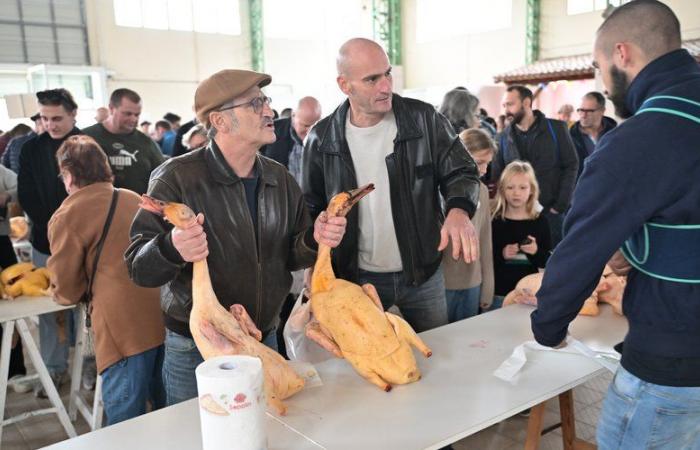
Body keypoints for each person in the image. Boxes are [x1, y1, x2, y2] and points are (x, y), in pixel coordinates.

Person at [530, 1, 700, 448]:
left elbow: (580, 249)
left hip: (672, 367)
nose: (602, 82)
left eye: (599, 67)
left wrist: (548, 325)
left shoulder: (641, 137)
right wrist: (646, 247)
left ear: (622, 54)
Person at [125, 69, 343, 406]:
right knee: (197, 437)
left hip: (262, 336)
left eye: (266, 101)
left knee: (267, 431)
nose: (269, 111)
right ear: (221, 121)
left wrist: (314, 239)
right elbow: (139, 268)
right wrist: (171, 248)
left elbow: (293, 256)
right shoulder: (177, 178)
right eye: (255, 103)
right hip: (198, 346)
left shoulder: (279, 178)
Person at [303, 38, 481, 333]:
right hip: (356, 278)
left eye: (387, 74)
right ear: (345, 85)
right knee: (370, 362)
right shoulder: (321, 139)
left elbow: (462, 170)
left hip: (423, 273)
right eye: (372, 79)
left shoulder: (424, 120)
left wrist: (459, 210)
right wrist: (316, 239)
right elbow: (310, 206)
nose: (386, 86)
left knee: (436, 355)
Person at [48, 135, 165, 425]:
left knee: (125, 424)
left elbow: (66, 290)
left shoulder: (67, 214)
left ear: (69, 174)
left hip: (121, 329)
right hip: (162, 317)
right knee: (168, 414)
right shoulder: (133, 198)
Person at [17, 88, 81, 397]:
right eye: (45, 118)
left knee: (88, 307)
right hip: (45, 239)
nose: (50, 124)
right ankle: (55, 368)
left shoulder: (88, 145)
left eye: (57, 118)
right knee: (48, 307)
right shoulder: (31, 149)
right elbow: (26, 194)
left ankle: (91, 362)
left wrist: (73, 230)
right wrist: (53, 227)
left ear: (73, 114)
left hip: (85, 239)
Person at [494, 85, 578, 248]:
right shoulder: (502, 138)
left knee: (553, 264)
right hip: (517, 216)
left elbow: (571, 165)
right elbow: (499, 177)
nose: (506, 110)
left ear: (526, 103)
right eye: (504, 105)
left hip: (550, 213)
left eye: (510, 104)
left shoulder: (556, 129)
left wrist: (560, 205)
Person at [442, 129, 495, 321]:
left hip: (473, 284)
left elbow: (485, 240)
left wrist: (488, 286)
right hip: (441, 286)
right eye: (480, 162)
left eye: (487, 163)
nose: (484, 170)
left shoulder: (481, 190)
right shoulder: (439, 191)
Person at [491, 161, 550, 309]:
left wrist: (536, 252)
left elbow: (548, 261)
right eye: (510, 187)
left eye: (522, 187)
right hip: (499, 292)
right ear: (503, 190)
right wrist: (502, 253)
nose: (516, 193)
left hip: (529, 294)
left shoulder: (541, 221)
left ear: (531, 189)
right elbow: (486, 259)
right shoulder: (495, 221)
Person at [83, 88, 165, 194]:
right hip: (96, 206)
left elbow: (163, 178)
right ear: (111, 108)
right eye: (128, 114)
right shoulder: (86, 137)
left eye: (137, 115)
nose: (133, 119)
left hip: (137, 208)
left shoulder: (147, 143)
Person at [262, 96, 322, 185]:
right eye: (306, 125)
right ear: (293, 116)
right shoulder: (271, 130)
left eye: (315, 125)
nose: (310, 131)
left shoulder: (326, 134)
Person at [569, 92, 617, 180]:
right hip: (581, 190)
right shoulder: (568, 137)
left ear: (602, 111)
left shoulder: (616, 134)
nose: (583, 115)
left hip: (611, 189)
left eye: (589, 111)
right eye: (581, 110)